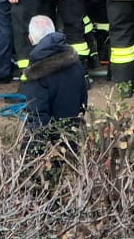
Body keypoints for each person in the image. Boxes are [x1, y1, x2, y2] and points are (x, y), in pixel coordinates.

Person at [19, 15, 87, 146]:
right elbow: (83, 99)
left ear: (30, 38)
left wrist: (31, 153)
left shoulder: (37, 72)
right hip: (71, 135)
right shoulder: (74, 61)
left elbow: (38, 116)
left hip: (50, 145)